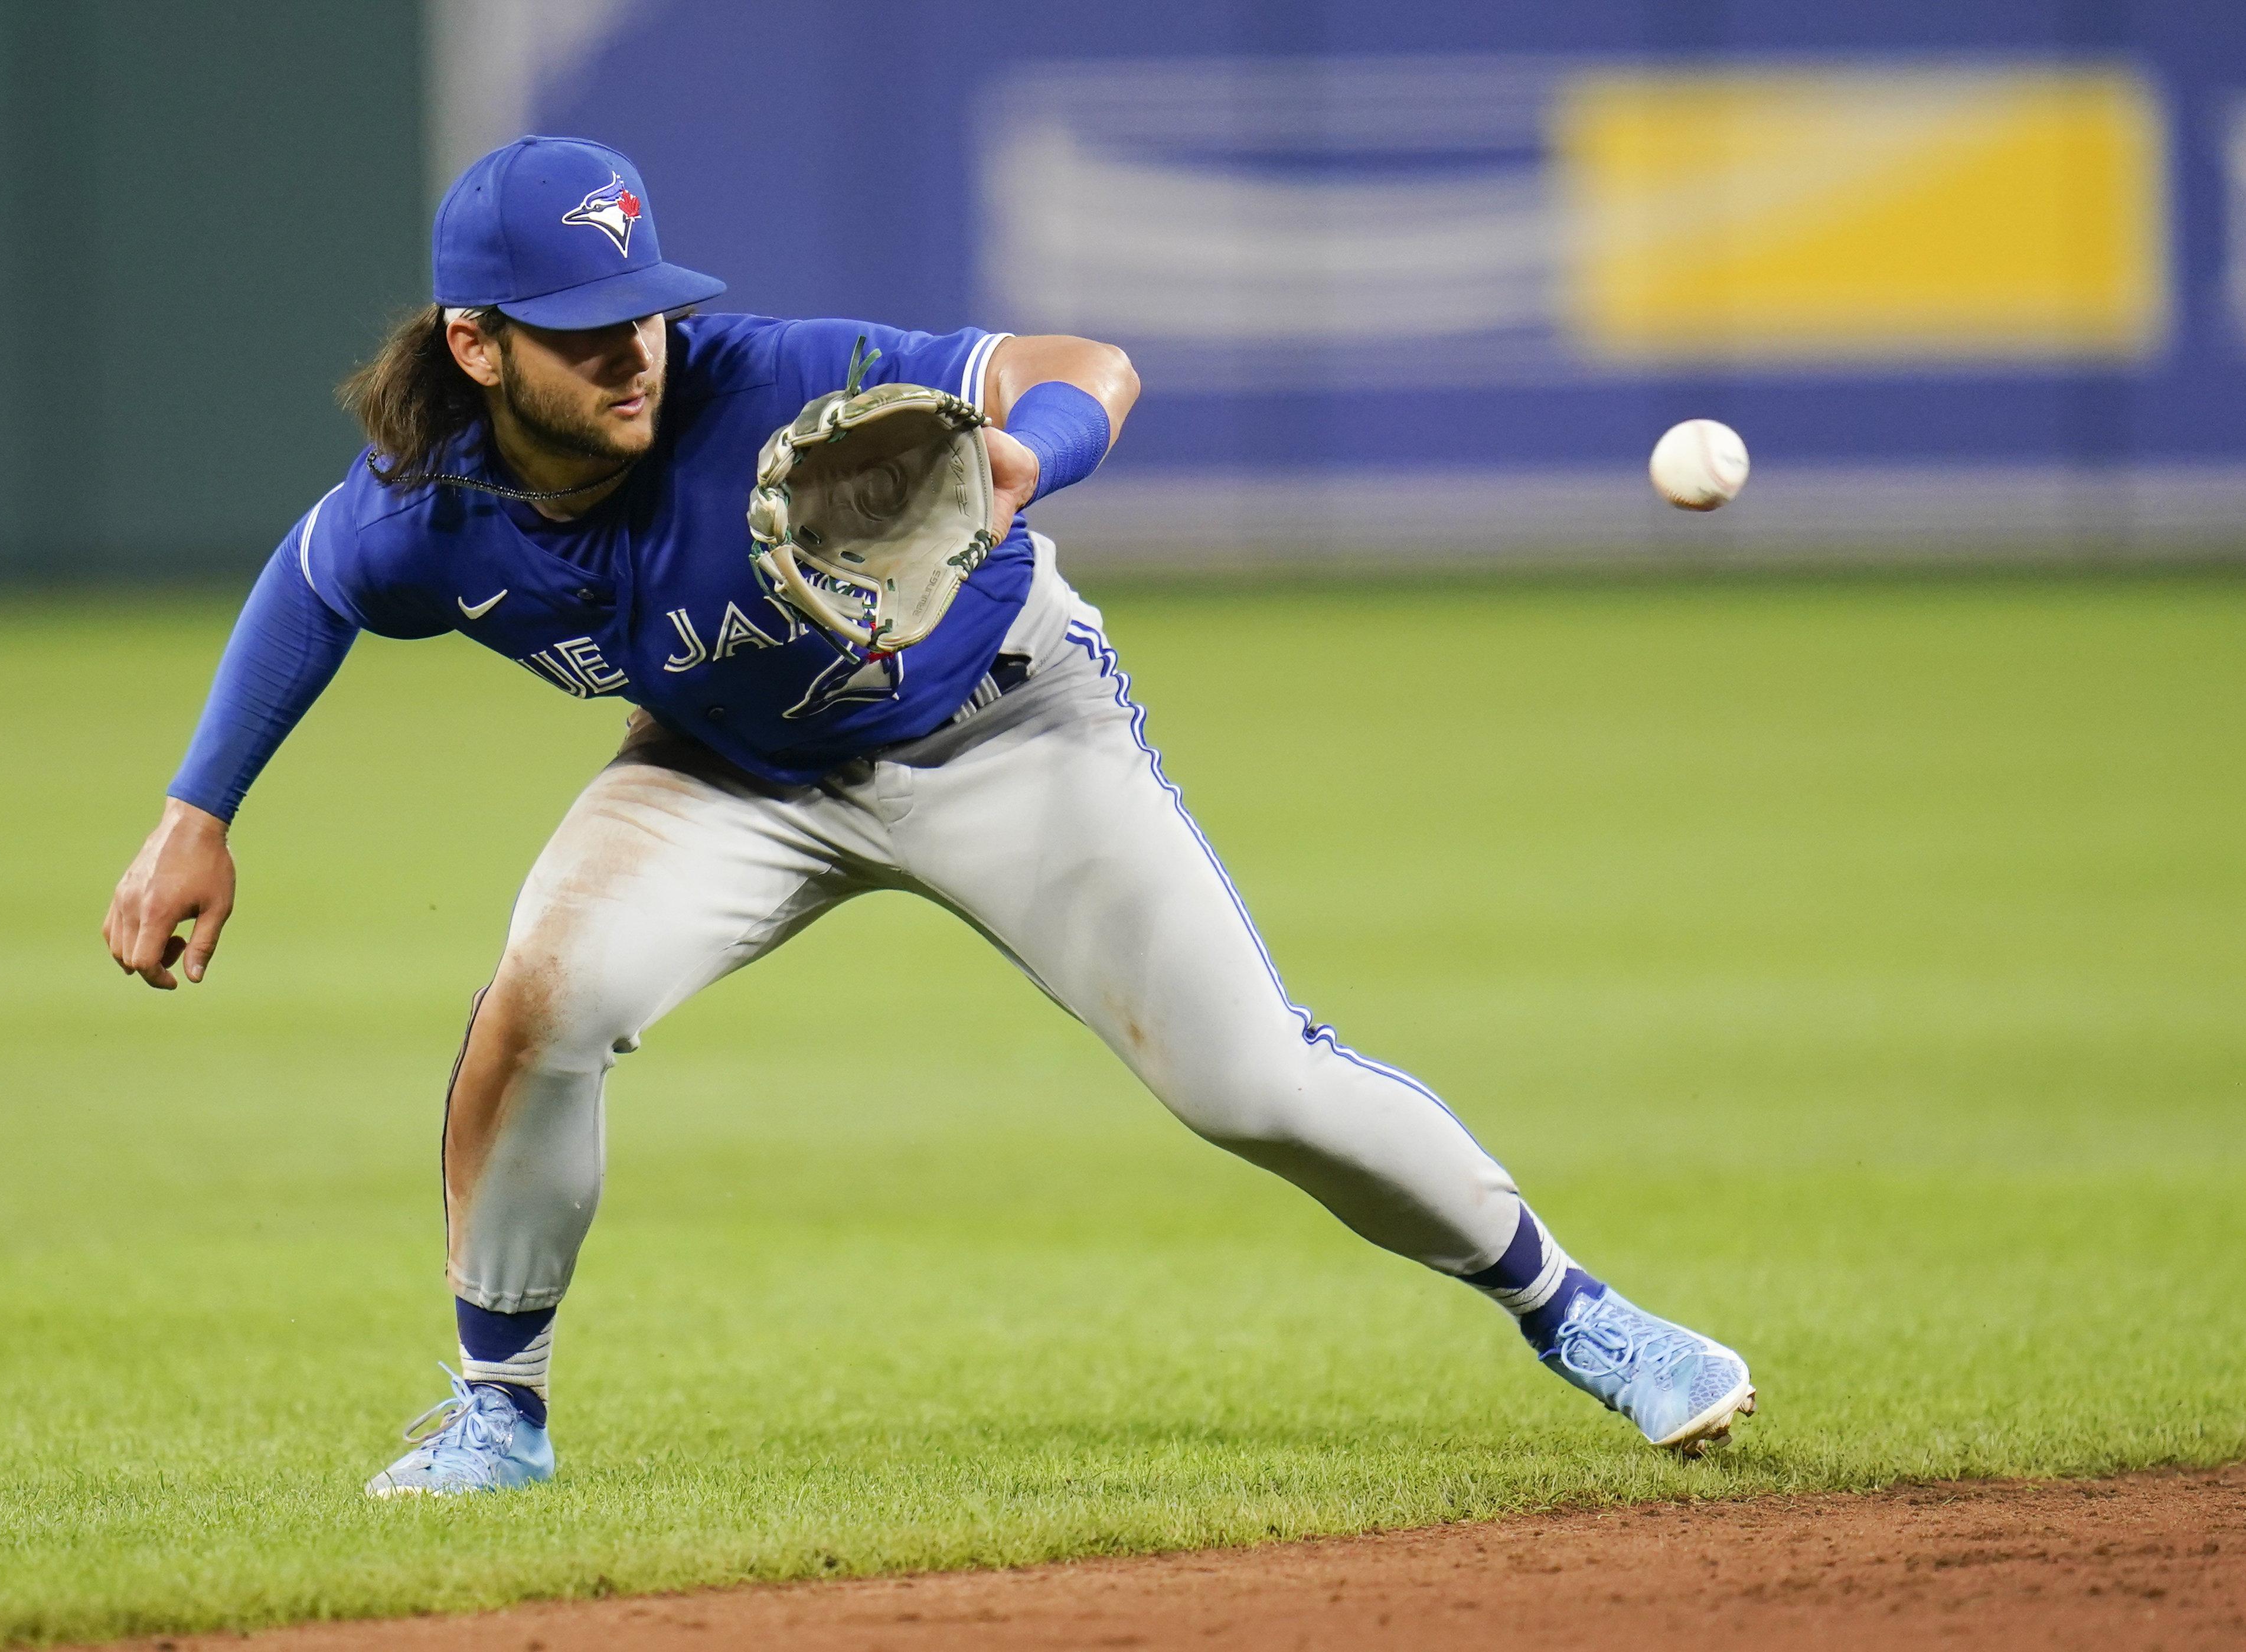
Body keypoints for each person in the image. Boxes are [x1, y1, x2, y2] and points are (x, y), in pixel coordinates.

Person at [102, 136, 1755, 1497]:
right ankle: (496, 1418)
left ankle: (1579, 1315)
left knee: (1250, 1085)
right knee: (546, 1001)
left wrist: (1027, 456)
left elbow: (1085, 366)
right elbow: (311, 588)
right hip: (730, 771)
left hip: (1006, 731)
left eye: (646, 310)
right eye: (582, 326)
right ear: (477, 346)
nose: (635, 350)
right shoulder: (426, 505)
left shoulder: (767, 377)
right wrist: (198, 813)